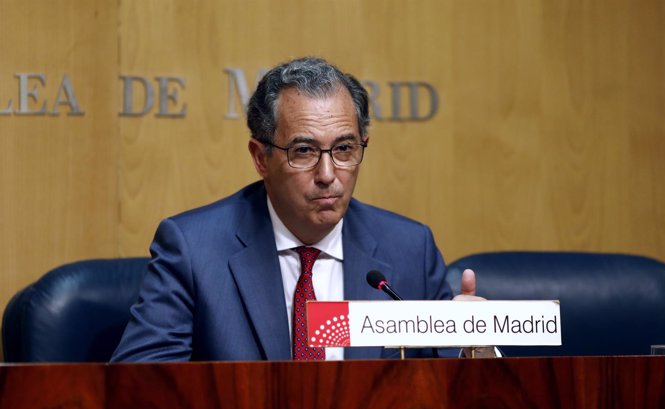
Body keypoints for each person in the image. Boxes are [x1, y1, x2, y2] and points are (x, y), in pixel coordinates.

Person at [111, 57, 487, 362]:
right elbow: (141, 387)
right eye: (304, 152)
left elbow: (451, 389)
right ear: (261, 158)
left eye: (344, 149)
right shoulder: (194, 250)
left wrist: (476, 346)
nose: (328, 175)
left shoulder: (408, 249)